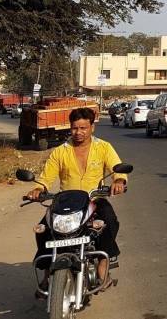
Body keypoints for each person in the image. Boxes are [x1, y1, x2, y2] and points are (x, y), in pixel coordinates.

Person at [26, 107, 128, 296]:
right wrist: (39, 188)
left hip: (94, 199)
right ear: (70, 128)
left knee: (109, 221)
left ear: (92, 127)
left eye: (83, 128)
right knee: (43, 229)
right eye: (75, 128)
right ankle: (47, 275)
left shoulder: (103, 147)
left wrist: (119, 180)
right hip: (67, 201)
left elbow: (117, 167)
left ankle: (102, 269)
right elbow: (46, 177)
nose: (79, 132)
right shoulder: (60, 152)